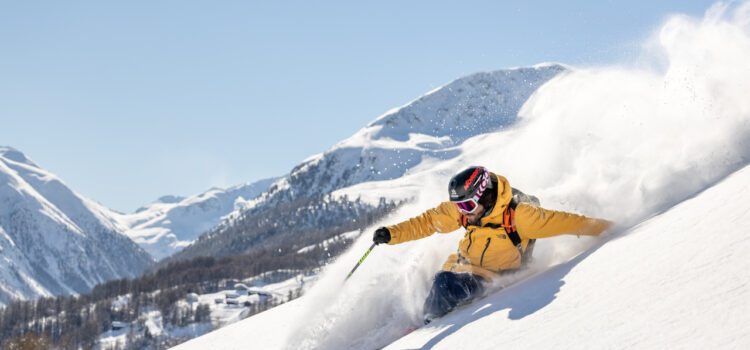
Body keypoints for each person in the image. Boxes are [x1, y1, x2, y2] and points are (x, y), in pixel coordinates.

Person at [372, 166, 612, 323]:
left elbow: (568, 223)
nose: (461, 213)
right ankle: (427, 318)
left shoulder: (520, 216)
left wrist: (611, 227)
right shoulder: (467, 211)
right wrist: (391, 234)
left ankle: (429, 324)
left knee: (443, 285)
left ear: (484, 196)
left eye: (465, 206)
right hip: (460, 268)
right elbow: (425, 223)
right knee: (436, 280)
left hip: (491, 277)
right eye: (457, 207)